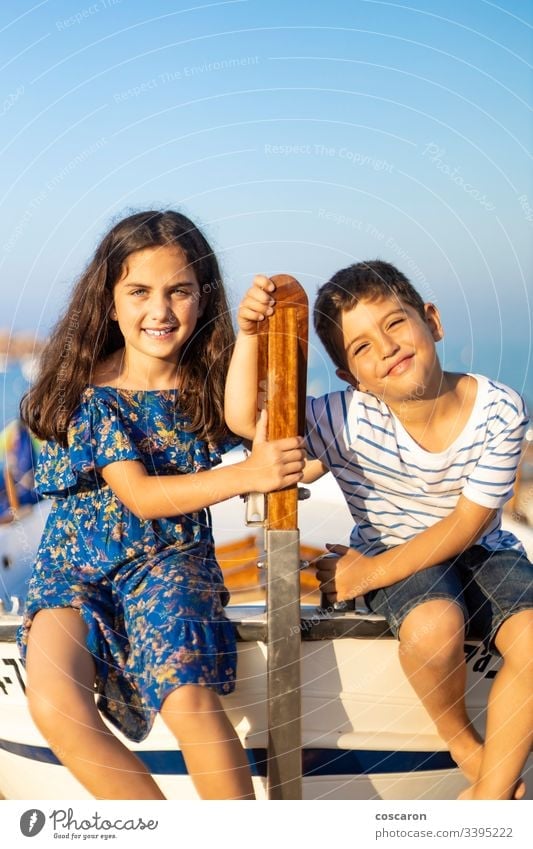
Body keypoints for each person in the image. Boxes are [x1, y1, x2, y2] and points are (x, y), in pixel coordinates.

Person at [18, 210, 305, 800]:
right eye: (140, 291)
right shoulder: (85, 394)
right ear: (109, 301)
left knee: (188, 699)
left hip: (170, 561)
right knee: (53, 702)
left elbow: (250, 424)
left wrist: (250, 334)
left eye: (180, 291)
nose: (161, 310)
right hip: (73, 569)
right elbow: (141, 496)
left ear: (204, 298)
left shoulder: (206, 385)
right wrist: (247, 474)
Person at [225, 262, 533, 801]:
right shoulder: (343, 417)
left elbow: (466, 524)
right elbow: (248, 421)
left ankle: (488, 803)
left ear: (431, 320)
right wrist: (248, 335)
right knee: (434, 626)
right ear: (351, 378)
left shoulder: (499, 409)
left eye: (395, 323)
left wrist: (363, 574)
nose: (387, 348)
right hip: (393, 547)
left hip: (481, 549)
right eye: (362, 348)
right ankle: (462, 743)